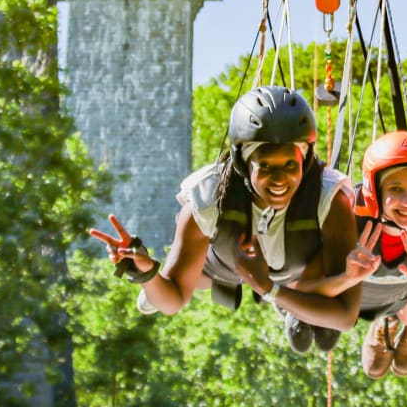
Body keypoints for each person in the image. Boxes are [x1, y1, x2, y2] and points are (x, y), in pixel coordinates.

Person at [89, 85, 361, 353]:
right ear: (244, 162)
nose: (279, 179)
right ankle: (161, 285)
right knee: (177, 289)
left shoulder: (329, 199)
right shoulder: (209, 197)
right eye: (264, 166)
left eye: (290, 165)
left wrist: (268, 288)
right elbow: (173, 301)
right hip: (222, 268)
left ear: (305, 160)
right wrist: (146, 272)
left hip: (295, 275)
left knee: (318, 294)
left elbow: (346, 316)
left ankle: (285, 299)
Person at [294, 131, 407, 378]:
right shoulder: (346, 214)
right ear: (375, 192)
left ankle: (402, 324)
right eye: (395, 188)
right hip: (351, 297)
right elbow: (301, 287)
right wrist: (347, 276)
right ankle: (386, 321)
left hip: (404, 295)